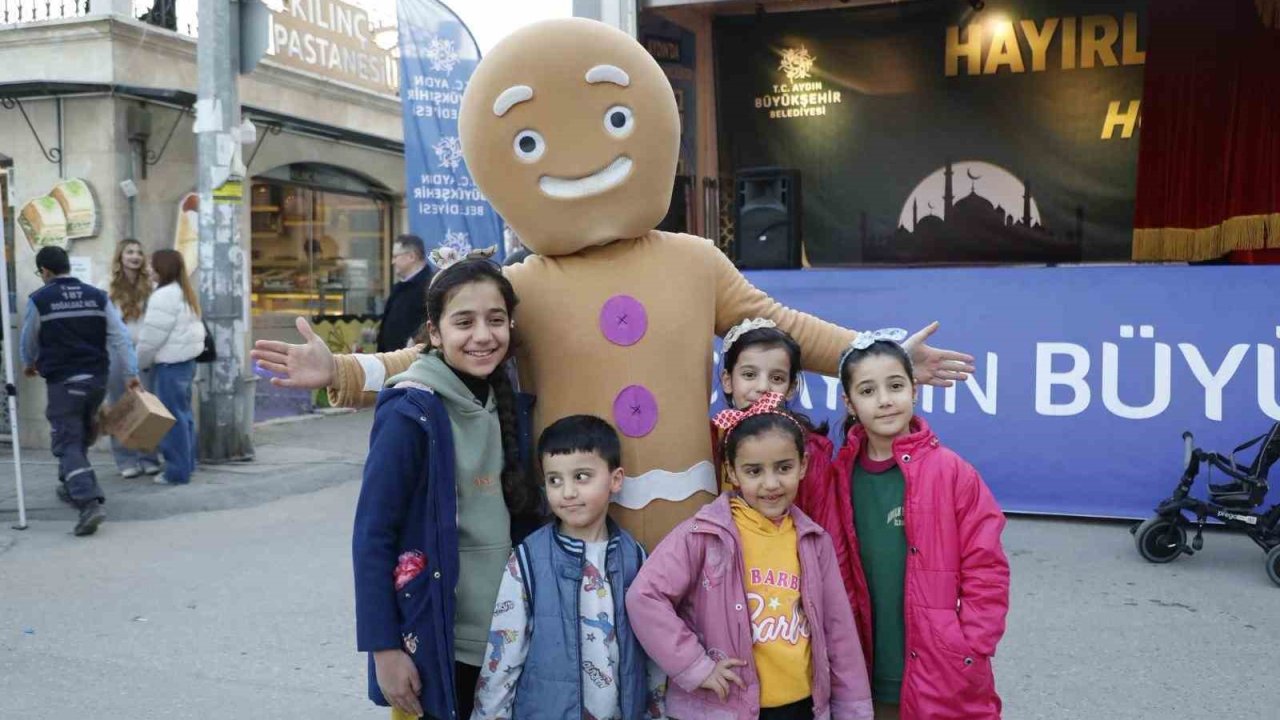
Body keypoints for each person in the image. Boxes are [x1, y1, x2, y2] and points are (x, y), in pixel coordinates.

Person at [250, 18, 976, 553]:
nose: (578, 154)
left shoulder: (694, 261)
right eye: (529, 142)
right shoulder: (520, 284)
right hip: (578, 515)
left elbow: (781, 326)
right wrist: (342, 371)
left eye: (617, 118)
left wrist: (876, 355)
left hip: (696, 507)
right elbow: (440, 362)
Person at [352, 258, 539, 720]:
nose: (482, 335)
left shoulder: (505, 403)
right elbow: (373, 535)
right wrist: (383, 650)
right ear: (434, 333)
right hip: (436, 643)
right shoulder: (409, 412)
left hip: (507, 638)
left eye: (496, 320)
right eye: (464, 321)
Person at [626, 393, 873, 720]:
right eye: (754, 471)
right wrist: (695, 666)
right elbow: (644, 596)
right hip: (723, 708)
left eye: (783, 467)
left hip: (802, 709)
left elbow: (838, 632)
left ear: (803, 465)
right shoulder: (703, 534)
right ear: (731, 471)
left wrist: (853, 711)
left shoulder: (814, 540)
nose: (771, 484)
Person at [811, 330, 1010, 720]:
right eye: (867, 391)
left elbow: (987, 569)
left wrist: (970, 646)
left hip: (942, 667)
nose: (885, 400)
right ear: (848, 402)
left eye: (896, 385)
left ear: (914, 390)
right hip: (863, 669)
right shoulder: (836, 478)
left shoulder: (953, 473)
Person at [471, 414, 665, 720]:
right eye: (554, 480)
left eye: (582, 476)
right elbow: (504, 654)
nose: (568, 492)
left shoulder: (635, 558)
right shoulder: (529, 560)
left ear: (615, 480)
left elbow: (653, 649)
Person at [20, 245, 141, 536]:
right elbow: (121, 338)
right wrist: (131, 374)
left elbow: (29, 338)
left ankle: (88, 502)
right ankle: (69, 484)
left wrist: (28, 363)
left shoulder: (40, 299)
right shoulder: (98, 296)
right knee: (81, 433)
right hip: (96, 380)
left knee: (67, 442)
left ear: (45, 272)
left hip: (65, 381)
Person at [715, 318, 834, 501]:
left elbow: (825, 521)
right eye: (749, 375)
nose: (763, 387)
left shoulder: (810, 449)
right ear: (727, 381)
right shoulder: (709, 441)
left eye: (777, 378)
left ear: (791, 388)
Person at [136, 249, 206, 486]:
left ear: (161, 269)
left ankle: (176, 472)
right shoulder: (184, 292)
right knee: (184, 416)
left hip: (170, 365)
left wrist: (139, 363)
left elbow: (151, 338)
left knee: (171, 420)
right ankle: (187, 464)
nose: (148, 269)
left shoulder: (163, 295)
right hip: (186, 363)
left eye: (151, 265)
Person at [105, 238, 161, 478]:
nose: (135, 256)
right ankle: (125, 460)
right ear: (120, 256)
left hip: (144, 352)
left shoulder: (151, 286)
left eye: (139, 252)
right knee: (121, 406)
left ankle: (148, 456)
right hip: (117, 352)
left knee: (147, 406)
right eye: (129, 252)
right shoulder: (106, 286)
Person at [377, 234, 433, 353]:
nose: (392, 262)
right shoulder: (399, 288)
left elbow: (434, 323)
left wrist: (417, 340)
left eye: (395, 256)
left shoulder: (432, 287)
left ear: (412, 256)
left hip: (415, 363)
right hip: (392, 362)